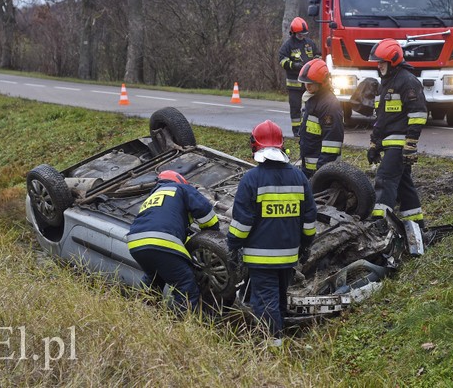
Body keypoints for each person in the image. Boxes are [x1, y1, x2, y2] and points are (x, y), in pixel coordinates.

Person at [227, 120, 317, 343]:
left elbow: (242, 222)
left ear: (255, 146)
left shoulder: (251, 180)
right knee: (278, 298)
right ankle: (281, 334)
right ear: (281, 146)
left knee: (265, 301)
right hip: (289, 255)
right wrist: (306, 245)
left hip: (260, 257)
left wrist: (233, 246)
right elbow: (309, 218)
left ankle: (273, 345)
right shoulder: (299, 178)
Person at [126, 170, 219, 313]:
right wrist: (213, 236)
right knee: (185, 284)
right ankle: (179, 326)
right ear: (179, 180)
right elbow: (205, 212)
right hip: (160, 241)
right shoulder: (181, 188)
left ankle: (143, 315)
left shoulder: (152, 197)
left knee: (154, 278)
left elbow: (167, 224)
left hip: (135, 243)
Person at [366, 38, 428, 226]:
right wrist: (374, 144)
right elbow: (381, 120)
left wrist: (410, 144)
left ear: (392, 60)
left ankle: (380, 221)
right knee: (403, 183)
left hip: (400, 145)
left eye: (381, 62)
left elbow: (418, 114)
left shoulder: (407, 82)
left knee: (385, 178)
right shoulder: (385, 83)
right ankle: (415, 222)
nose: (378, 66)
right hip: (389, 143)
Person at [297, 59, 344, 177]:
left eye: (311, 83)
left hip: (321, 170)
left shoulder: (329, 105)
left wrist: (322, 171)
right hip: (309, 168)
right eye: (305, 82)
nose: (307, 86)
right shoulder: (311, 99)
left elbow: (332, 143)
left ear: (321, 82)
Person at [278, 17, 321, 136]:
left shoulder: (309, 43)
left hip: (309, 83)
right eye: (300, 33)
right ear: (294, 32)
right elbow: (282, 60)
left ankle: (307, 129)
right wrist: (295, 65)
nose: (302, 35)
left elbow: (318, 55)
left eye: (304, 33)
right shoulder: (288, 45)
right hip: (294, 85)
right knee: (295, 108)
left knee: (311, 107)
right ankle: (296, 131)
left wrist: (315, 64)